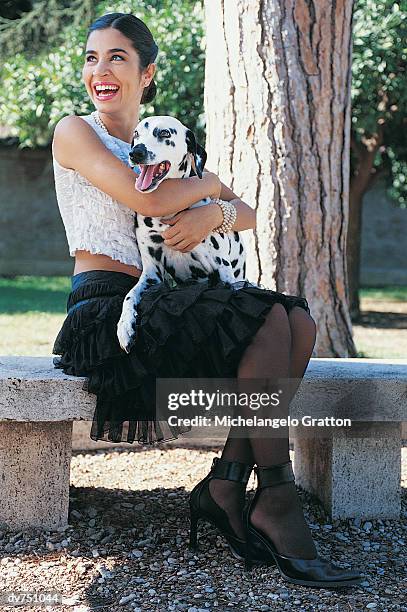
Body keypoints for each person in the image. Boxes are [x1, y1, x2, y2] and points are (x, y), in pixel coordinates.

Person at [51, 12, 361, 587]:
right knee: (270, 318)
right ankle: (273, 498)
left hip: (179, 300)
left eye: (117, 57)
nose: (101, 70)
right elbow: (148, 202)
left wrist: (213, 210)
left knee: (298, 321)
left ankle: (230, 480)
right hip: (111, 306)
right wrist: (213, 191)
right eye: (93, 58)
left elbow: (245, 214)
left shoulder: (162, 139)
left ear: (147, 74)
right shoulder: (77, 132)